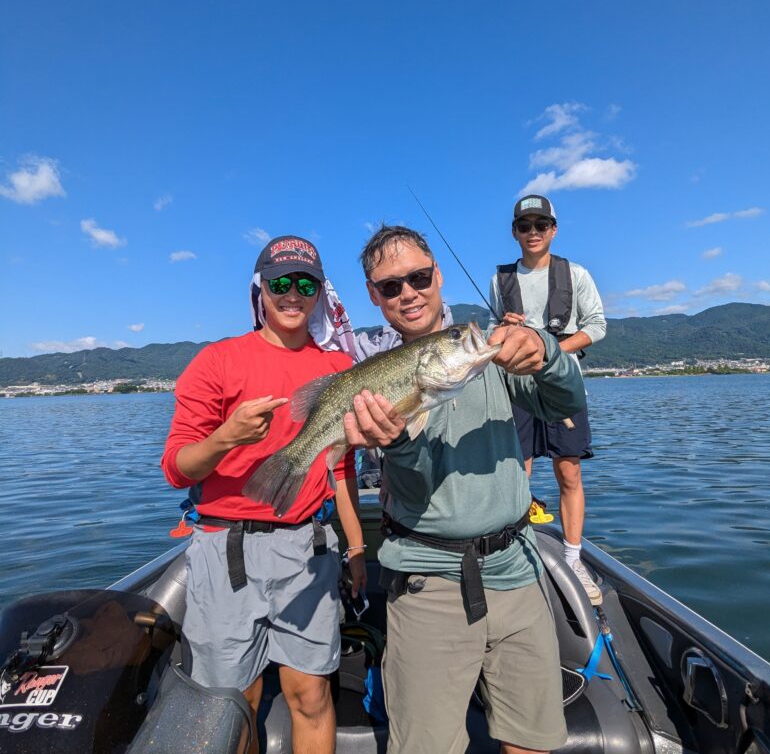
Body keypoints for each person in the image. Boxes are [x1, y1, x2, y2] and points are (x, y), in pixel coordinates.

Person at [344, 224, 586, 754]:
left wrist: (544, 349)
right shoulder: (377, 381)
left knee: (532, 742)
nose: (408, 292)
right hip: (428, 584)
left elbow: (565, 402)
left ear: (438, 275)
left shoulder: (487, 347)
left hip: (517, 572)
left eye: (418, 277)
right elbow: (411, 487)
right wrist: (397, 446)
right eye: (390, 286)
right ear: (374, 297)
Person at [161, 235, 366, 754]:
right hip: (227, 549)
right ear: (261, 289)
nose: (292, 294)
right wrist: (226, 437)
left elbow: (339, 470)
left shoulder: (339, 369)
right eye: (281, 283)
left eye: (306, 283)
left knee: (312, 693)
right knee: (234, 701)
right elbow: (176, 468)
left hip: (309, 548)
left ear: (320, 292)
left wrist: (358, 547)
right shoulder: (216, 362)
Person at [488, 194, 607, 605]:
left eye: (542, 225)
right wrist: (504, 329)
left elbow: (597, 326)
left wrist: (548, 349)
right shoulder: (500, 279)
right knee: (516, 470)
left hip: (562, 385)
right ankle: (513, 548)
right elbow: (492, 334)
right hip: (517, 389)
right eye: (525, 226)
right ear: (515, 233)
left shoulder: (576, 274)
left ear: (553, 229)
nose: (533, 233)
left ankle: (573, 557)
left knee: (568, 472)